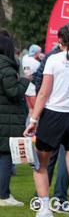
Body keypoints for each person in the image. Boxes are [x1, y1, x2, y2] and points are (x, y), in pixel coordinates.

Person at [23, 23, 69, 217]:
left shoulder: (53, 59)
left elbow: (43, 92)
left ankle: (45, 210)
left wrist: (33, 120)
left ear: (60, 40)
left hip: (54, 116)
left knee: (40, 165)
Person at [0, 35, 30, 206]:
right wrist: (25, 80)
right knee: (6, 157)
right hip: (7, 118)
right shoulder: (7, 69)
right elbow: (14, 93)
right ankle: (4, 196)